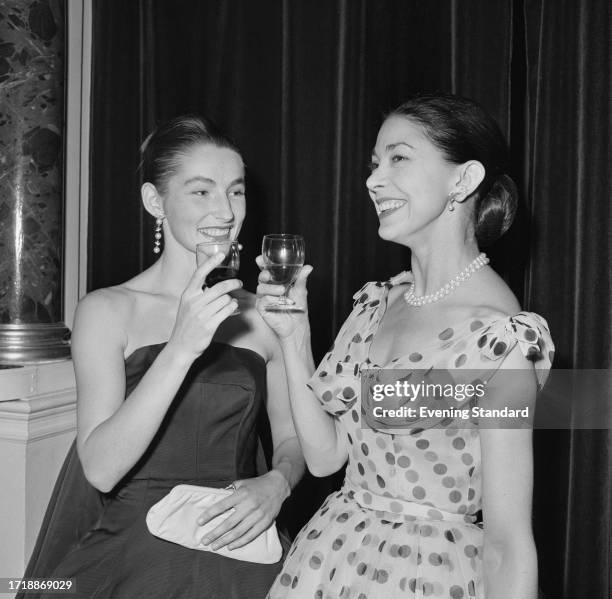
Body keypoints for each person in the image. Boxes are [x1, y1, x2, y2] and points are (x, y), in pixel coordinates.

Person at [258, 93, 554, 599]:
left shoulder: (499, 338)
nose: (373, 180)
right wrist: (294, 337)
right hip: (332, 559)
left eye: (398, 157)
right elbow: (327, 458)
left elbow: (508, 541)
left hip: (427, 575)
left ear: (463, 179)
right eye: (375, 164)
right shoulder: (375, 305)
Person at [20, 115, 304, 599]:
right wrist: (180, 347)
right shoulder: (107, 309)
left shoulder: (264, 315)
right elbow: (101, 468)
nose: (225, 210)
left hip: (238, 545)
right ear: (156, 201)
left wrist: (276, 483)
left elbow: (295, 436)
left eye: (235, 191)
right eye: (201, 191)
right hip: (133, 552)